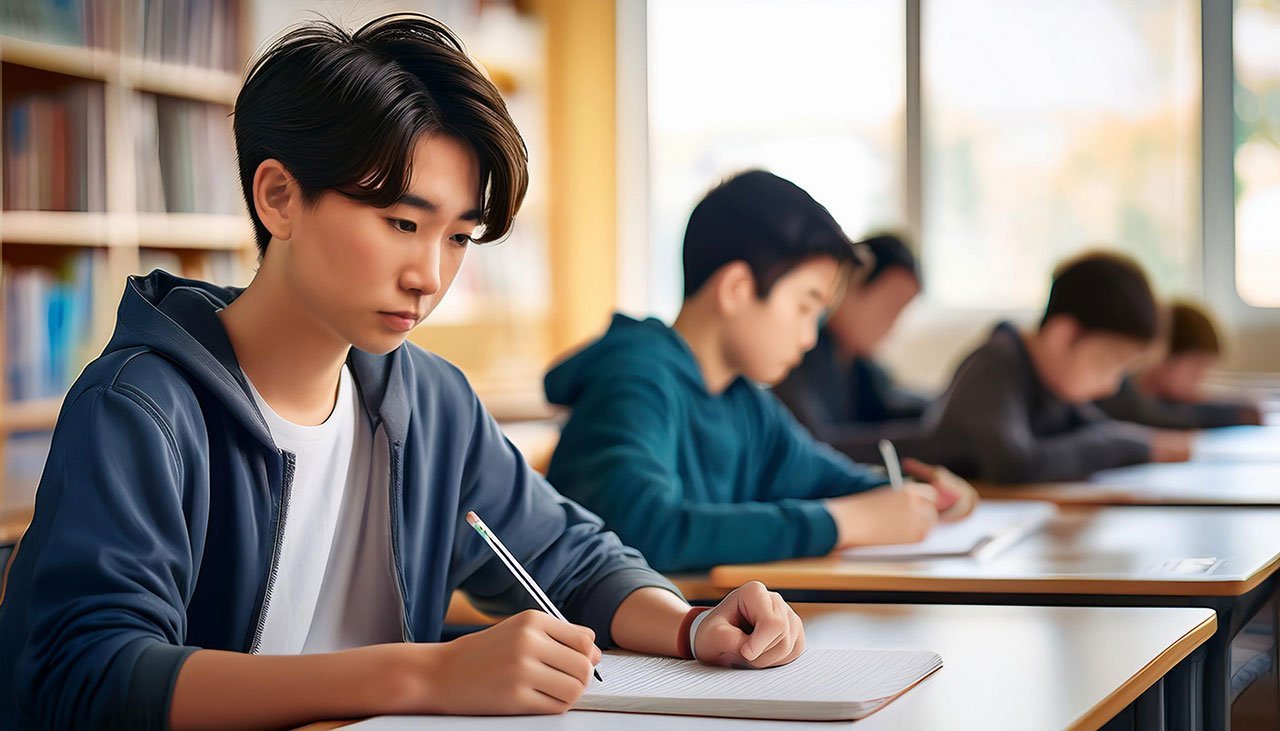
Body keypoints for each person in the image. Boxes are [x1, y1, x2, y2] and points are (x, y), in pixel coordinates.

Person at [0, 16, 806, 730]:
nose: (430, 274)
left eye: (458, 237)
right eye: (400, 221)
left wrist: (691, 626)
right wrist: (426, 672)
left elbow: (574, 559)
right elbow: (91, 678)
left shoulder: (427, 399)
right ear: (279, 197)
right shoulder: (139, 407)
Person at [544, 171, 977, 574]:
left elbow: (827, 481)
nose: (810, 338)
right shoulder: (635, 379)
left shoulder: (742, 400)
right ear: (736, 290)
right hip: (601, 649)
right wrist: (843, 524)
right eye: (805, 307)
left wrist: (913, 493)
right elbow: (645, 530)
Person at [916, 251, 1192, 484]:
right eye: (1106, 365)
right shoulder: (994, 367)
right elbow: (1015, 465)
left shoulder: (1046, 382)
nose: (1110, 386)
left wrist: (1143, 444)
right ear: (1064, 336)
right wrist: (1128, 447)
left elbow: (1097, 428)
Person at [1097, 301, 1264, 429]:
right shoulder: (1118, 390)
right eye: (1197, 366)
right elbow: (1157, 416)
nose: (1200, 378)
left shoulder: (1162, 400)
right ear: (1162, 354)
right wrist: (1238, 413)